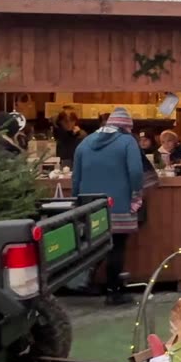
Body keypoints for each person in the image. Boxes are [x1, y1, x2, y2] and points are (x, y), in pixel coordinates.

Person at [72, 107, 144, 306]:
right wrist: (136, 194)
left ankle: (84, 283)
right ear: (126, 126)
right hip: (118, 203)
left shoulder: (84, 143)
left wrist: (77, 202)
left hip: (90, 205)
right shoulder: (127, 141)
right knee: (116, 247)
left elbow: (76, 177)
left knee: (93, 245)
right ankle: (114, 292)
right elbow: (137, 172)